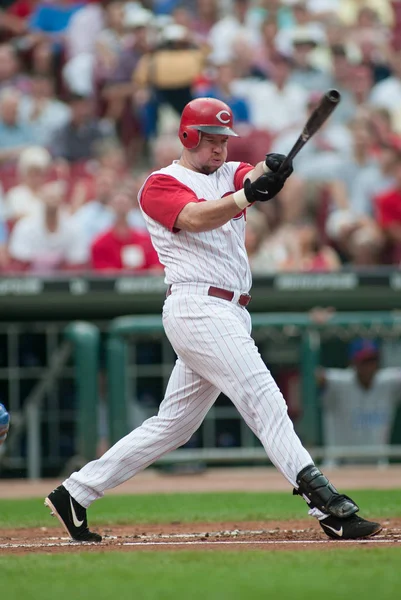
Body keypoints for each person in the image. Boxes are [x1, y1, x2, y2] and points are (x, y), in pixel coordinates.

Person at [45, 97, 381, 543]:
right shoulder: (160, 183)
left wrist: (273, 170)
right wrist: (247, 194)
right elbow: (197, 217)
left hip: (228, 311)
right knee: (266, 400)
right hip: (197, 307)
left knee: (173, 427)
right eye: (211, 140)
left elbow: (254, 174)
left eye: (224, 140)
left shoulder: (227, 171)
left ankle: (75, 493)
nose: (220, 149)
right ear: (188, 136)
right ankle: (329, 507)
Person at [317, 338, 401, 465]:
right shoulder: (339, 382)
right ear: (353, 362)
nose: (369, 366)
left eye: (373, 360)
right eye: (364, 361)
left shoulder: (387, 381)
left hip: (377, 463)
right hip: (340, 464)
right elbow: (317, 375)